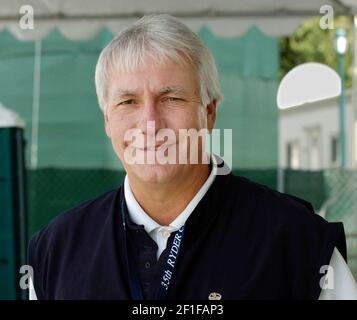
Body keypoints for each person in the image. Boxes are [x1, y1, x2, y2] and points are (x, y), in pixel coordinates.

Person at [28, 14, 357, 300]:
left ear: (209, 112)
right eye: (128, 102)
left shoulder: (298, 242)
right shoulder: (55, 250)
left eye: (171, 98)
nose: (151, 124)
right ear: (107, 121)